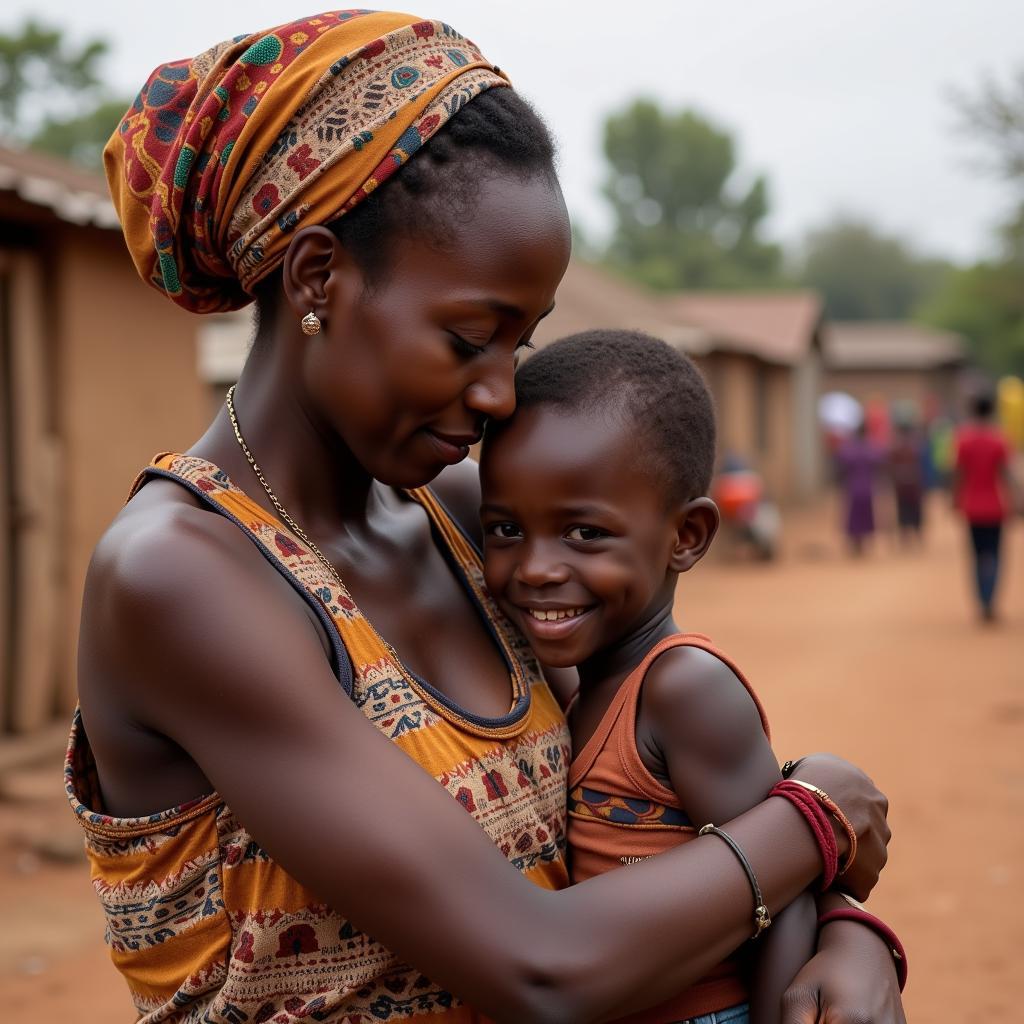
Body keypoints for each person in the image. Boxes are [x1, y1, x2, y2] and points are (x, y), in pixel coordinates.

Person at [67, 11, 904, 1023]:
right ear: (318, 277)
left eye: (523, 341)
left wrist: (851, 928)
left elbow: (667, 799)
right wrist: (814, 812)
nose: (502, 393)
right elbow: (537, 964)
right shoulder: (186, 576)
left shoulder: (476, 521)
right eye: (470, 337)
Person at [479, 331, 904, 1024]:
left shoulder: (683, 689)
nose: (535, 568)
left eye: (583, 534)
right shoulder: (582, 687)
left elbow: (784, 893)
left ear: (687, 537)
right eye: (503, 531)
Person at [953, 392, 1014, 621]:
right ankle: (990, 599)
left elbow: (959, 474)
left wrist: (955, 499)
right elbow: (1006, 475)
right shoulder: (1000, 439)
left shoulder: (964, 439)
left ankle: (981, 599)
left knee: (977, 556)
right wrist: (1016, 500)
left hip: (972, 506)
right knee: (995, 555)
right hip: (995, 506)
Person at [835, 423, 884, 556]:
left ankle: (856, 544)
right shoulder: (871, 448)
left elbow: (841, 464)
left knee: (855, 518)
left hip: (853, 488)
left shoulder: (849, 449)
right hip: (867, 489)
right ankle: (862, 544)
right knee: (865, 517)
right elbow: (879, 462)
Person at [888, 421, 926, 546]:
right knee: (912, 510)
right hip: (911, 483)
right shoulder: (914, 447)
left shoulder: (898, 447)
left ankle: (907, 537)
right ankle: (914, 536)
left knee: (906, 509)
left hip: (904, 483)